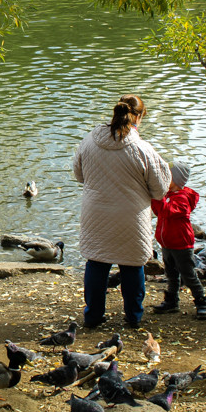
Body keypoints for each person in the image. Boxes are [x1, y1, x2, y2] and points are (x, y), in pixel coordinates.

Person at [72, 95, 171, 328]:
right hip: (131, 216)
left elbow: (78, 174)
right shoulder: (142, 148)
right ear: (139, 116)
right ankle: (134, 317)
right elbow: (159, 190)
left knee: (97, 262)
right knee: (132, 264)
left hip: (96, 213)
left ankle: (93, 316)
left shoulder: (89, 140)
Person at [151, 162, 206, 319]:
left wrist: (159, 197)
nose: (163, 179)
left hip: (181, 244)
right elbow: (158, 211)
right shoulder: (169, 195)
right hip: (167, 243)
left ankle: (201, 302)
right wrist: (155, 197)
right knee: (171, 274)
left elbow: (168, 211)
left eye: (166, 176)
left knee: (188, 275)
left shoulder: (182, 199)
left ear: (175, 180)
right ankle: (172, 301)